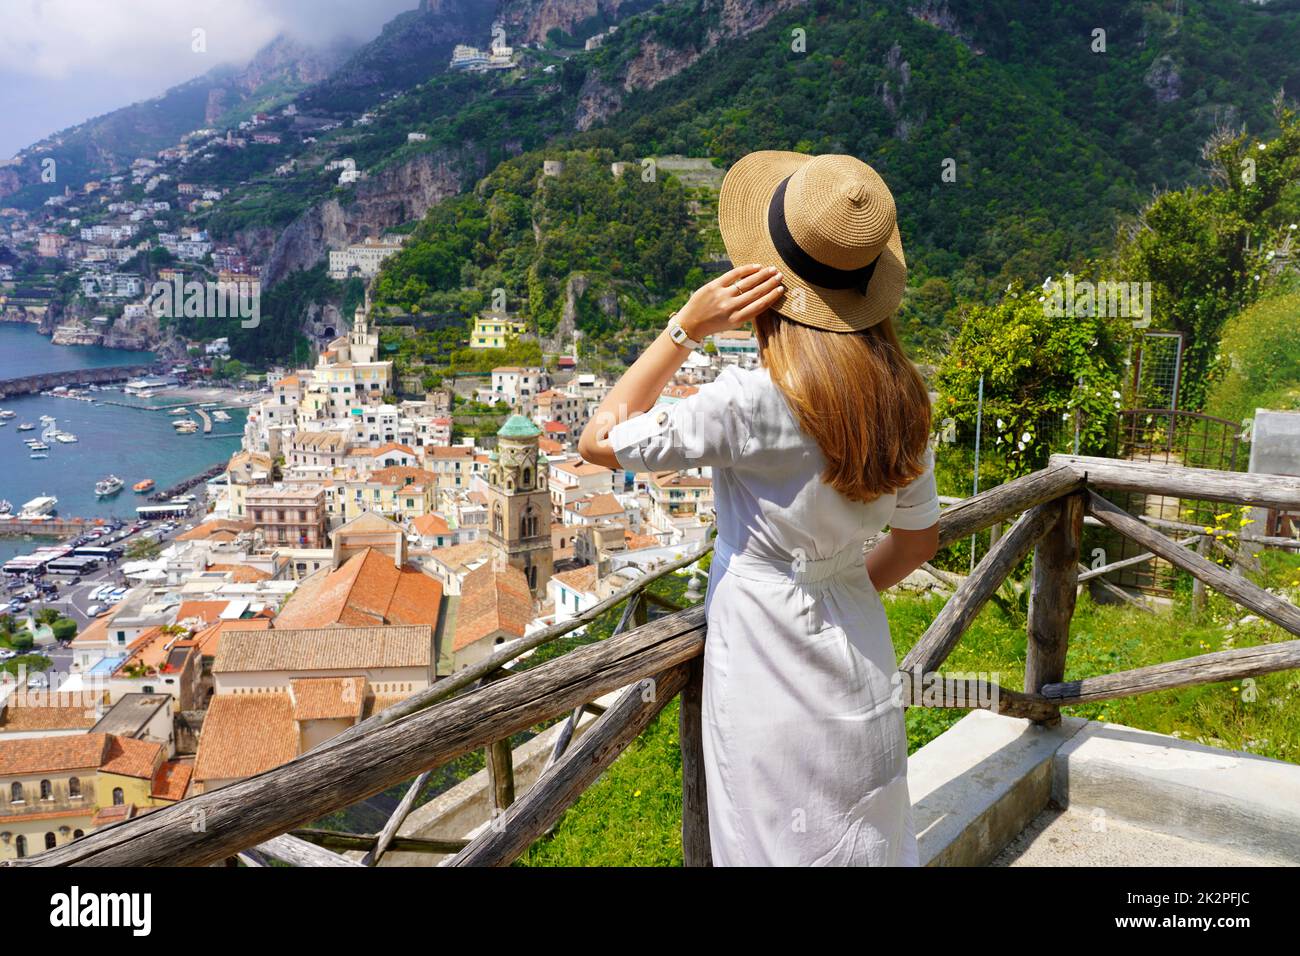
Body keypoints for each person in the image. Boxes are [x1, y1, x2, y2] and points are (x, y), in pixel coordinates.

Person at [578, 151, 940, 866]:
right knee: (865, 838)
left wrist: (685, 326)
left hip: (766, 662)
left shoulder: (748, 402)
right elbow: (919, 541)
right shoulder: (905, 395)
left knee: (769, 842)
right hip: (861, 654)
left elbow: (598, 438)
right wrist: (837, 582)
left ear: (768, 284)